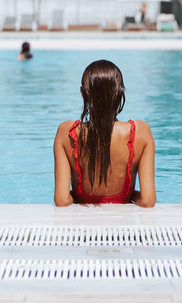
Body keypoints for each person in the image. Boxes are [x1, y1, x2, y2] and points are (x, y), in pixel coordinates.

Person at [53, 60, 156, 207]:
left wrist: (76, 195)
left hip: (82, 227)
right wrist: (130, 193)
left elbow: (62, 200)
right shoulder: (141, 132)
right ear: (121, 92)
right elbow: (147, 201)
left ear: (83, 94)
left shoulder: (67, 132)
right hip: (124, 229)